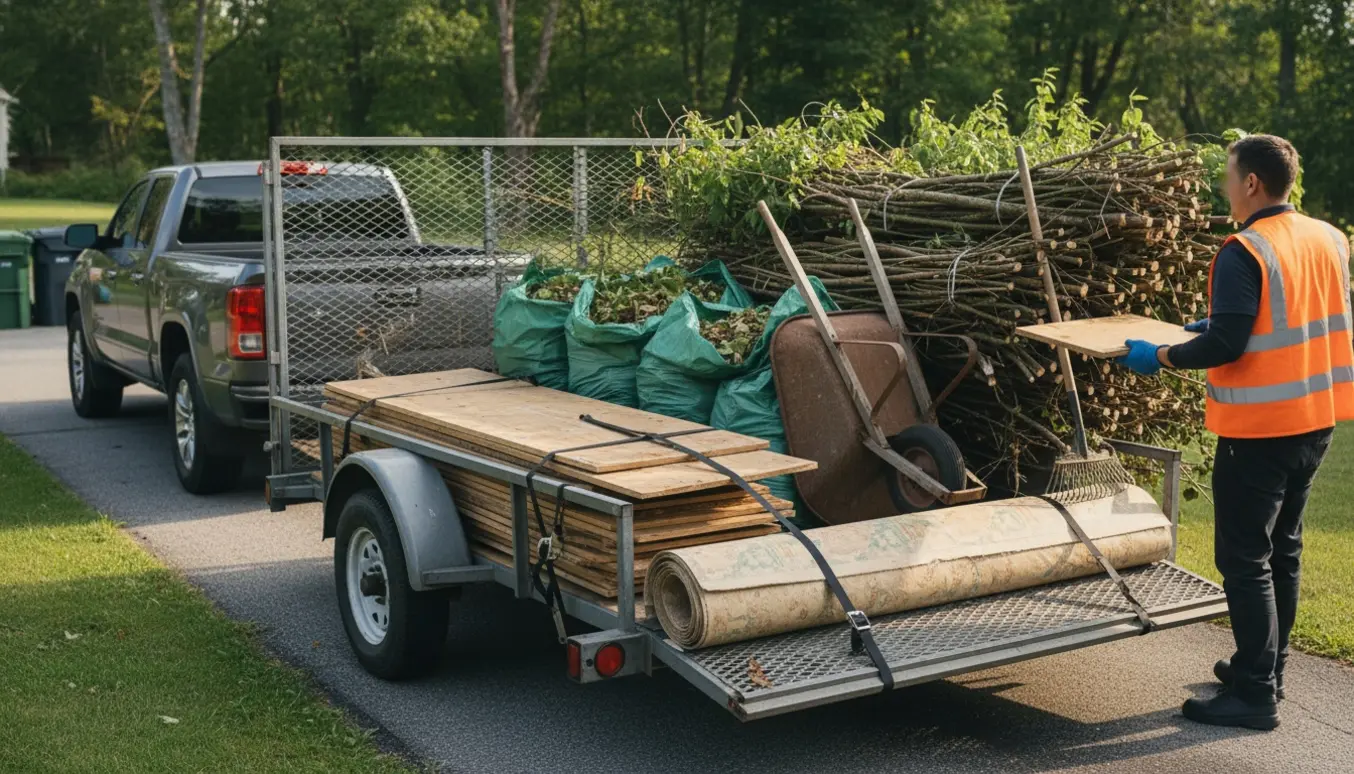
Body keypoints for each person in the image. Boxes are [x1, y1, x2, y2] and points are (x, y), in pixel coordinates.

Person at [1118, 134, 1353, 731]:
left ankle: (1253, 695)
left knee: (1246, 559)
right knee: (1285, 551)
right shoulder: (1329, 237)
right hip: (1315, 422)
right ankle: (1268, 666)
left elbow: (1228, 343)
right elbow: (1294, 311)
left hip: (1259, 431)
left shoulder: (1244, 248)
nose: (1224, 185)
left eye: (1228, 174)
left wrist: (1163, 355)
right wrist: (1222, 318)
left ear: (1252, 182)